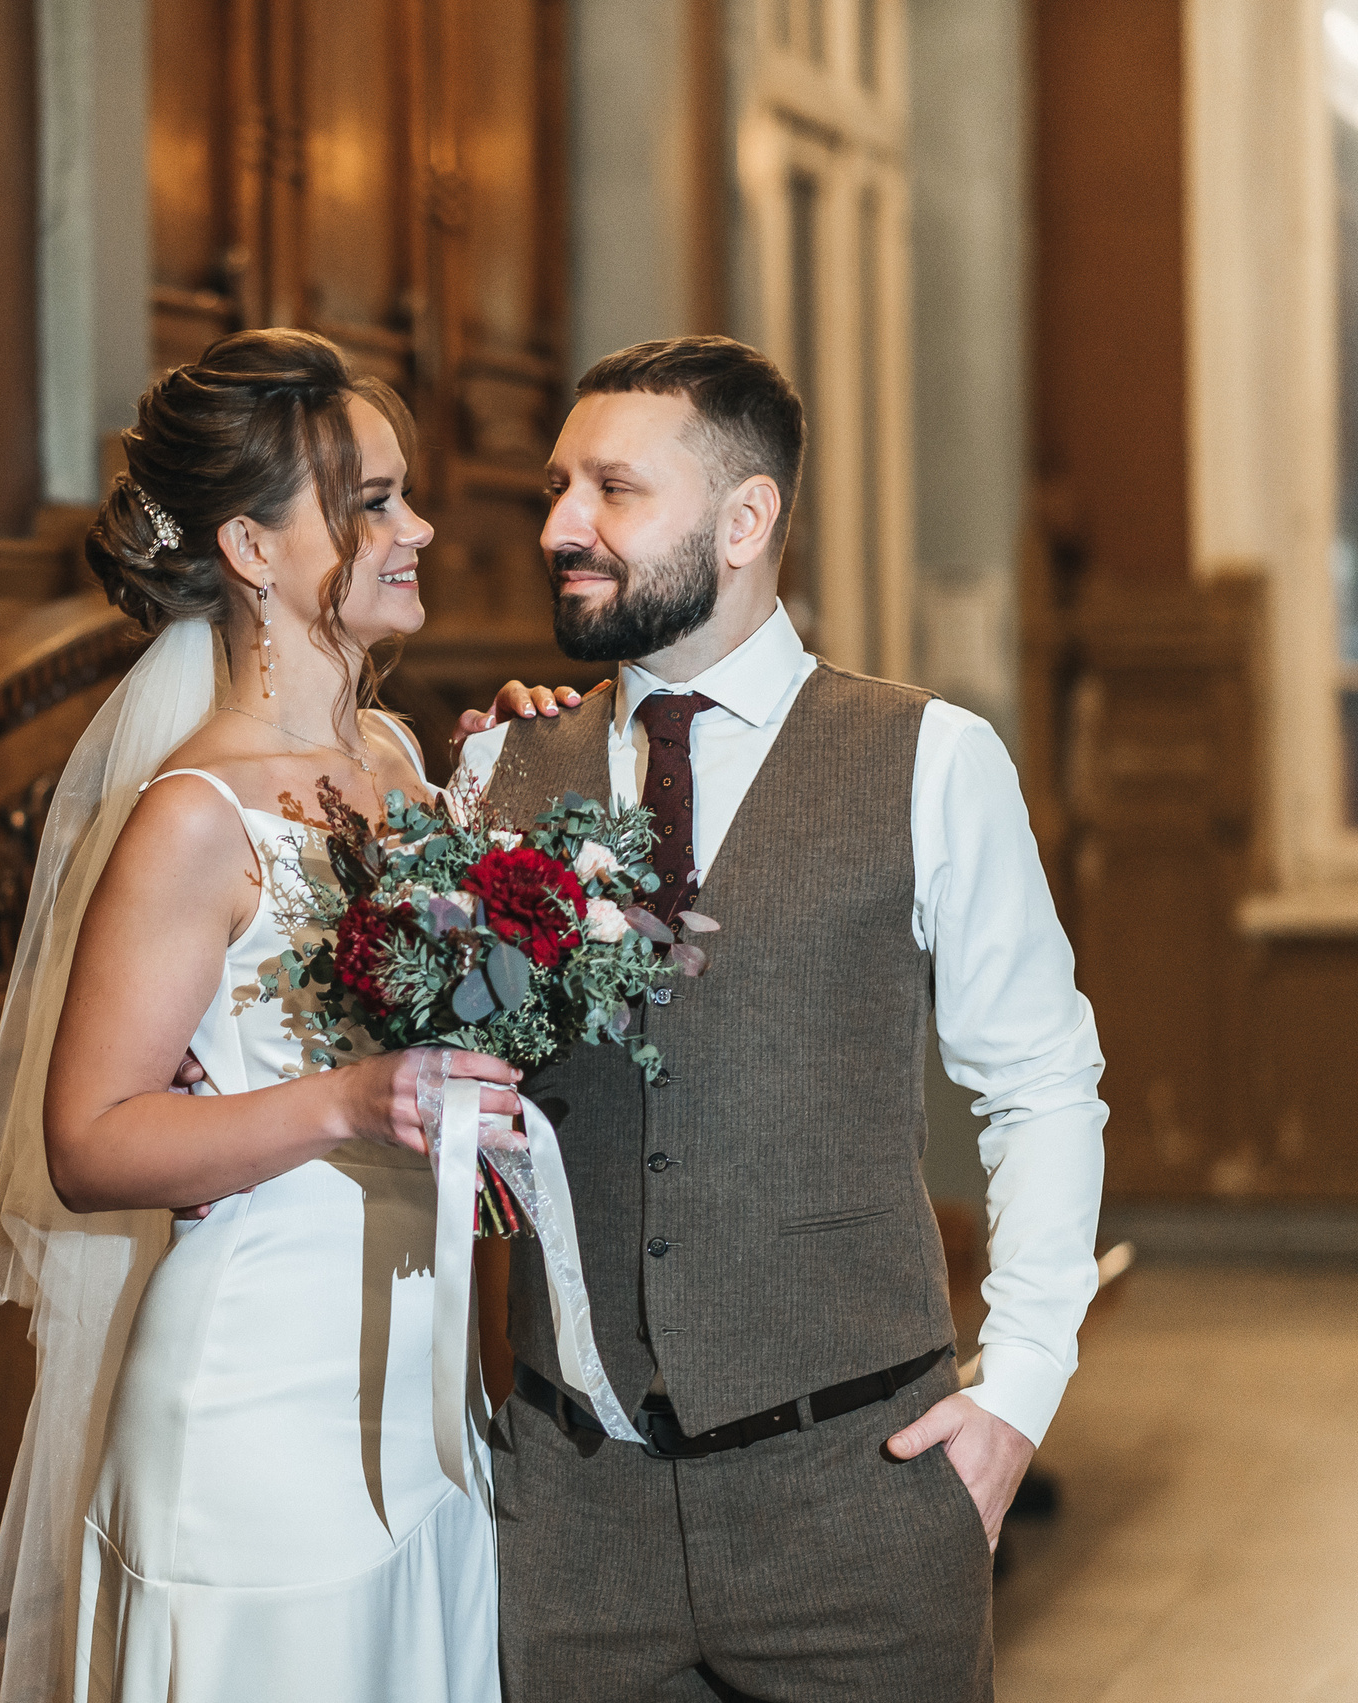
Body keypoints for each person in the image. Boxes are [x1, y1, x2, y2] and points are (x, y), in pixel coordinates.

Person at [454, 335, 1106, 1701]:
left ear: (744, 520)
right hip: (573, 1524)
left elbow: (1041, 1083)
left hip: (857, 1501)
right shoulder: (496, 768)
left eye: (614, 491)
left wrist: (1019, 1398)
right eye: (559, 487)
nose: (562, 526)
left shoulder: (929, 759)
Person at [0, 328, 518, 1703]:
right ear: (252, 549)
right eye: (373, 501)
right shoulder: (192, 821)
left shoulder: (392, 761)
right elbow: (90, 1141)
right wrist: (341, 1101)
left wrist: (516, 815)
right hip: (258, 1417)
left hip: (425, 1393)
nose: (419, 528)